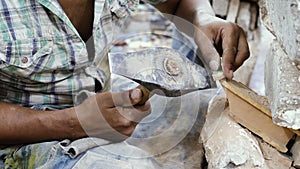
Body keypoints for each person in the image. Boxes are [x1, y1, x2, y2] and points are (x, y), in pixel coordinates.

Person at [0, 0, 250, 168]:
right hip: (19, 138)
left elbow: (176, 2)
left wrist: (202, 20)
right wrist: (73, 122)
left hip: (93, 101)